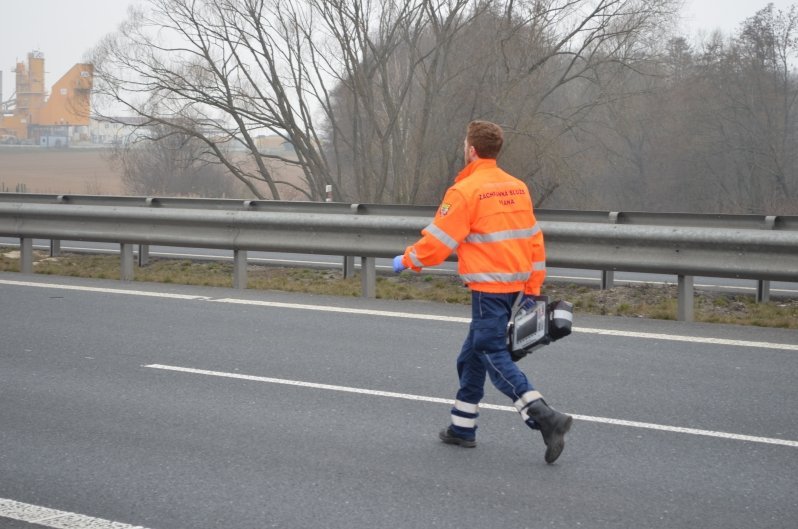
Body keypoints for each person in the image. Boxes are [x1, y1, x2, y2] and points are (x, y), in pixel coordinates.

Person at [393, 120, 572, 464]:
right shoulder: (518, 187)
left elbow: (438, 243)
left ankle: (546, 418)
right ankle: (462, 428)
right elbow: (534, 239)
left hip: (488, 288)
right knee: (471, 356)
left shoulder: (465, 191)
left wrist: (406, 260)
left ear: (471, 150)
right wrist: (533, 289)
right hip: (516, 286)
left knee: (490, 353)